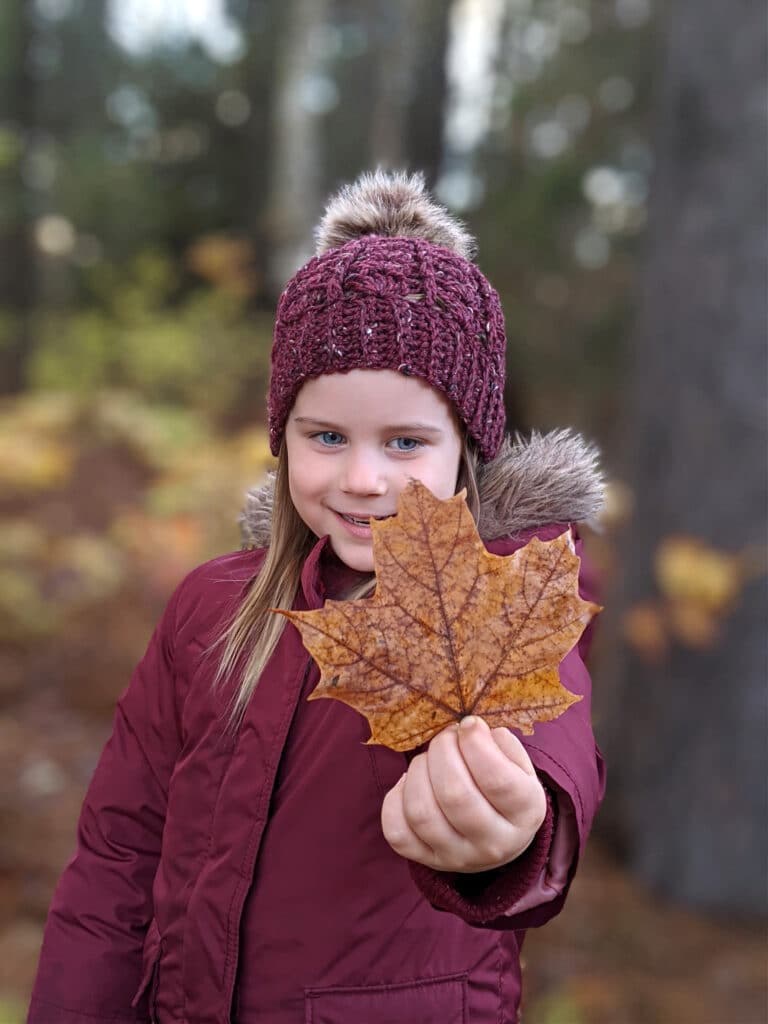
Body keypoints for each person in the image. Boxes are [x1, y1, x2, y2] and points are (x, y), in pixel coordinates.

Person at [28, 170, 606, 1024]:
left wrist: (512, 840)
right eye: (326, 436)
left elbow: (552, 755)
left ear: (466, 450)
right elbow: (117, 855)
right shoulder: (211, 611)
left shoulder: (508, 598)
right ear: (282, 437)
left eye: (406, 441)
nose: (362, 478)